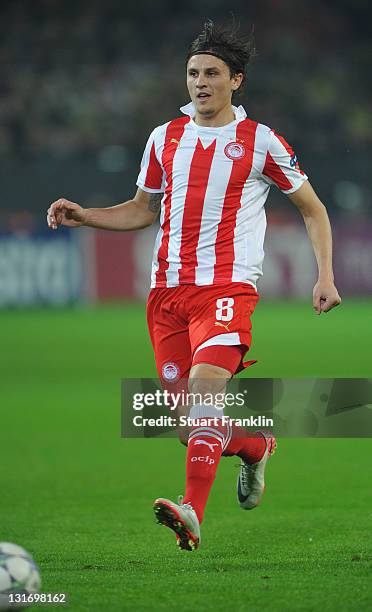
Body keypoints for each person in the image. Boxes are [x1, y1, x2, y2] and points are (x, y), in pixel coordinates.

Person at [47, 21, 341, 551]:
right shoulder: (165, 137)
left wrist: (324, 275)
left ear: (237, 80)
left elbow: (314, 210)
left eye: (211, 73)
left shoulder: (260, 141)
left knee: (206, 395)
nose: (199, 83)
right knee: (190, 427)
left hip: (225, 290)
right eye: (192, 73)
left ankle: (191, 509)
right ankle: (254, 447)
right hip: (165, 297)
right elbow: (142, 209)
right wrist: (84, 215)